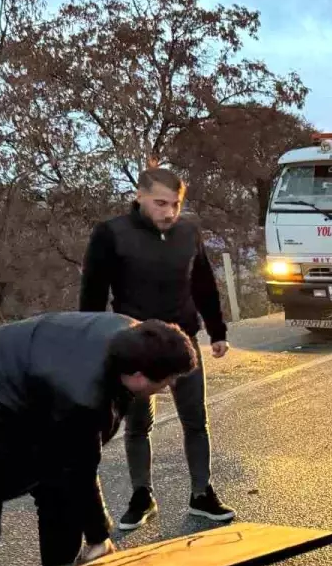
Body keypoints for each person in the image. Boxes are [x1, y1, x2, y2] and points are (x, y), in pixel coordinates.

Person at [0, 313, 197, 566]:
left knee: (59, 496)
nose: (169, 385)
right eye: (165, 379)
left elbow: (70, 470)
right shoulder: (81, 395)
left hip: (17, 405)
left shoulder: (134, 337)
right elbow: (80, 468)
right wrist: (97, 538)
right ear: (136, 375)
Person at [80, 167, 236, 530]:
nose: (169, 212)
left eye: (175, 204)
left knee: (195, 420)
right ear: (140, 196)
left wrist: (217, 331)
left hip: (183, 344)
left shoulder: (188, 232)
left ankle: (202, 494)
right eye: (160, 203)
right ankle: (141, 495)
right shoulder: (111, 234)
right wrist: (89, 342)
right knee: (138, 425)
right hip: (135, 347)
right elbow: (92, 293)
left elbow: (203, 283)